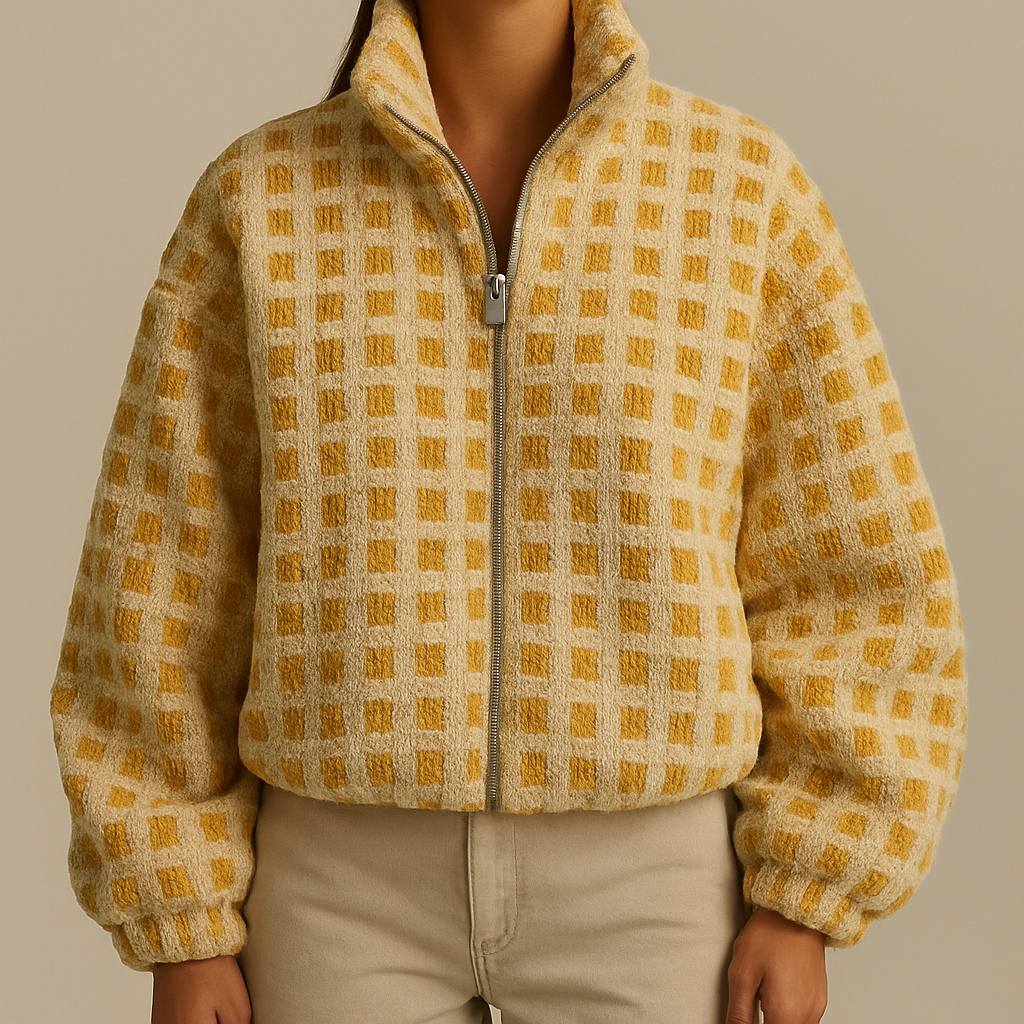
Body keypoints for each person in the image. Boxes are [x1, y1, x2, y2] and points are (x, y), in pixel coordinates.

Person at [49, 1, 967, 1022]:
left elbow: (854, 564)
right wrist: (179, 918)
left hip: (653, 890)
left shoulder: (739, 192)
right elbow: (162, 570)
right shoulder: (261, 200)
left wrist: (807, 894)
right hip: (335, 887)